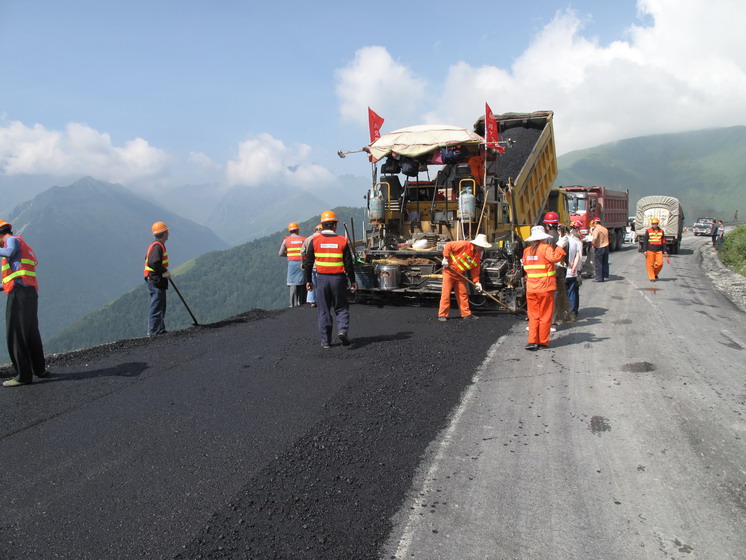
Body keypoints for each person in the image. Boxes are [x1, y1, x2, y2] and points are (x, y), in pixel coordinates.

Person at [0, 220, 49, 387]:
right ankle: (39, 369)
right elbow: (16, 275)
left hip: (19, 295)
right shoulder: (20, 243)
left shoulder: (11, 241)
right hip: (28, 292)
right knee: (30, 332)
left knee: (16, 334)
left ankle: (23, 375)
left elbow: (9, 251)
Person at [304, 211, 358, 348]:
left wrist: (308, 281)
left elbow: (308, 263)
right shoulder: (342, 240)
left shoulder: (314, 240)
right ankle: (342, 331)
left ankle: (326, 341)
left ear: (322, 225)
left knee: (323, 310)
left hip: (321, 279)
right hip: (338, 280)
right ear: (334, 225)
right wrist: (353, 280)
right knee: (341, 307)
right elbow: (348, 264)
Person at [522, 225, 567, 350]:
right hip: (545, 288)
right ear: (542, 238)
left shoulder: (527, 251)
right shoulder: (546, 248)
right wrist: (560, 246)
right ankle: (542, 341)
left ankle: (532, 341)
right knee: (545, 315)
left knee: (533, 315)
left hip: (531, 288)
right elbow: (555, 258)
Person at [438, 234, 492, 321]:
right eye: (482, 246)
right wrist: (445, 258)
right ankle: (442, 315)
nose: (483, 249)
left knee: (463, 294)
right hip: (449, 272)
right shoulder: (464, 244)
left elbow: (475, 269)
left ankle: (466, 314)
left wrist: (477, 282)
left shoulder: (477, 255)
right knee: (446, 294)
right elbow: (448, 245)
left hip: (460, 275)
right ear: (478, 245)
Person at [144, 221, 171, 336]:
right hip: (155, 280)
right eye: (167, 232)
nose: (168, 234)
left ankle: (159, 329)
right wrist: (164, 272)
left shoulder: (157, 245)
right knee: (156, 305)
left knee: (160, 304)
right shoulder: (157, 246)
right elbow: (153, 262)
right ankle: (153, 332)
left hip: (157, 280)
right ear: (164, 233)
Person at [279, 222, 306, 307]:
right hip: (302, 264)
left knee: (293, 284)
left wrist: (289, 254)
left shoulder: (286, 240)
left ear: (290, 231)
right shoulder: (303, 240)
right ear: (298, 230)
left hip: (292, 264)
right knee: (302, 284)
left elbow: (281, 253)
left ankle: (293, 306)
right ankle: (303, 304)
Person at [564, 221, 584, 321]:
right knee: (573, 291)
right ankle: (573, 313)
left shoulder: (561, 242)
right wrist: (575, 268)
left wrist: (570, 265)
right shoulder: (576, 241)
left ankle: (566, 312)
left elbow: (561, 256)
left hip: (564, 272)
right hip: (573, 272)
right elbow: (578, 256)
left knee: (565, 292)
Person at [300, 224, 323, 308]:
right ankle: (320, 300)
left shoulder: (307, 239)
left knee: (311, 282)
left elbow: (302, 253)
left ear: (315, 230)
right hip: (319, 265)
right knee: (320, 284)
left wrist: (303, 263)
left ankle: (312, 301)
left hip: (309, 266)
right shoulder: (322, 239)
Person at [641, 217, 668, 282]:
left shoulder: (661, 231)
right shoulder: (648, 231)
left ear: (657, 224)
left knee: (660, 264)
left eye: (655, 224)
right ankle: (652, 277)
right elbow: (645, 241)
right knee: (650, 265)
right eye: (653, 224)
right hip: (650, 250)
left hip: (659, 250)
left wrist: (665, 250)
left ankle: (655, 273)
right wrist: (644, 250)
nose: (654, 225)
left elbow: (663, 241)